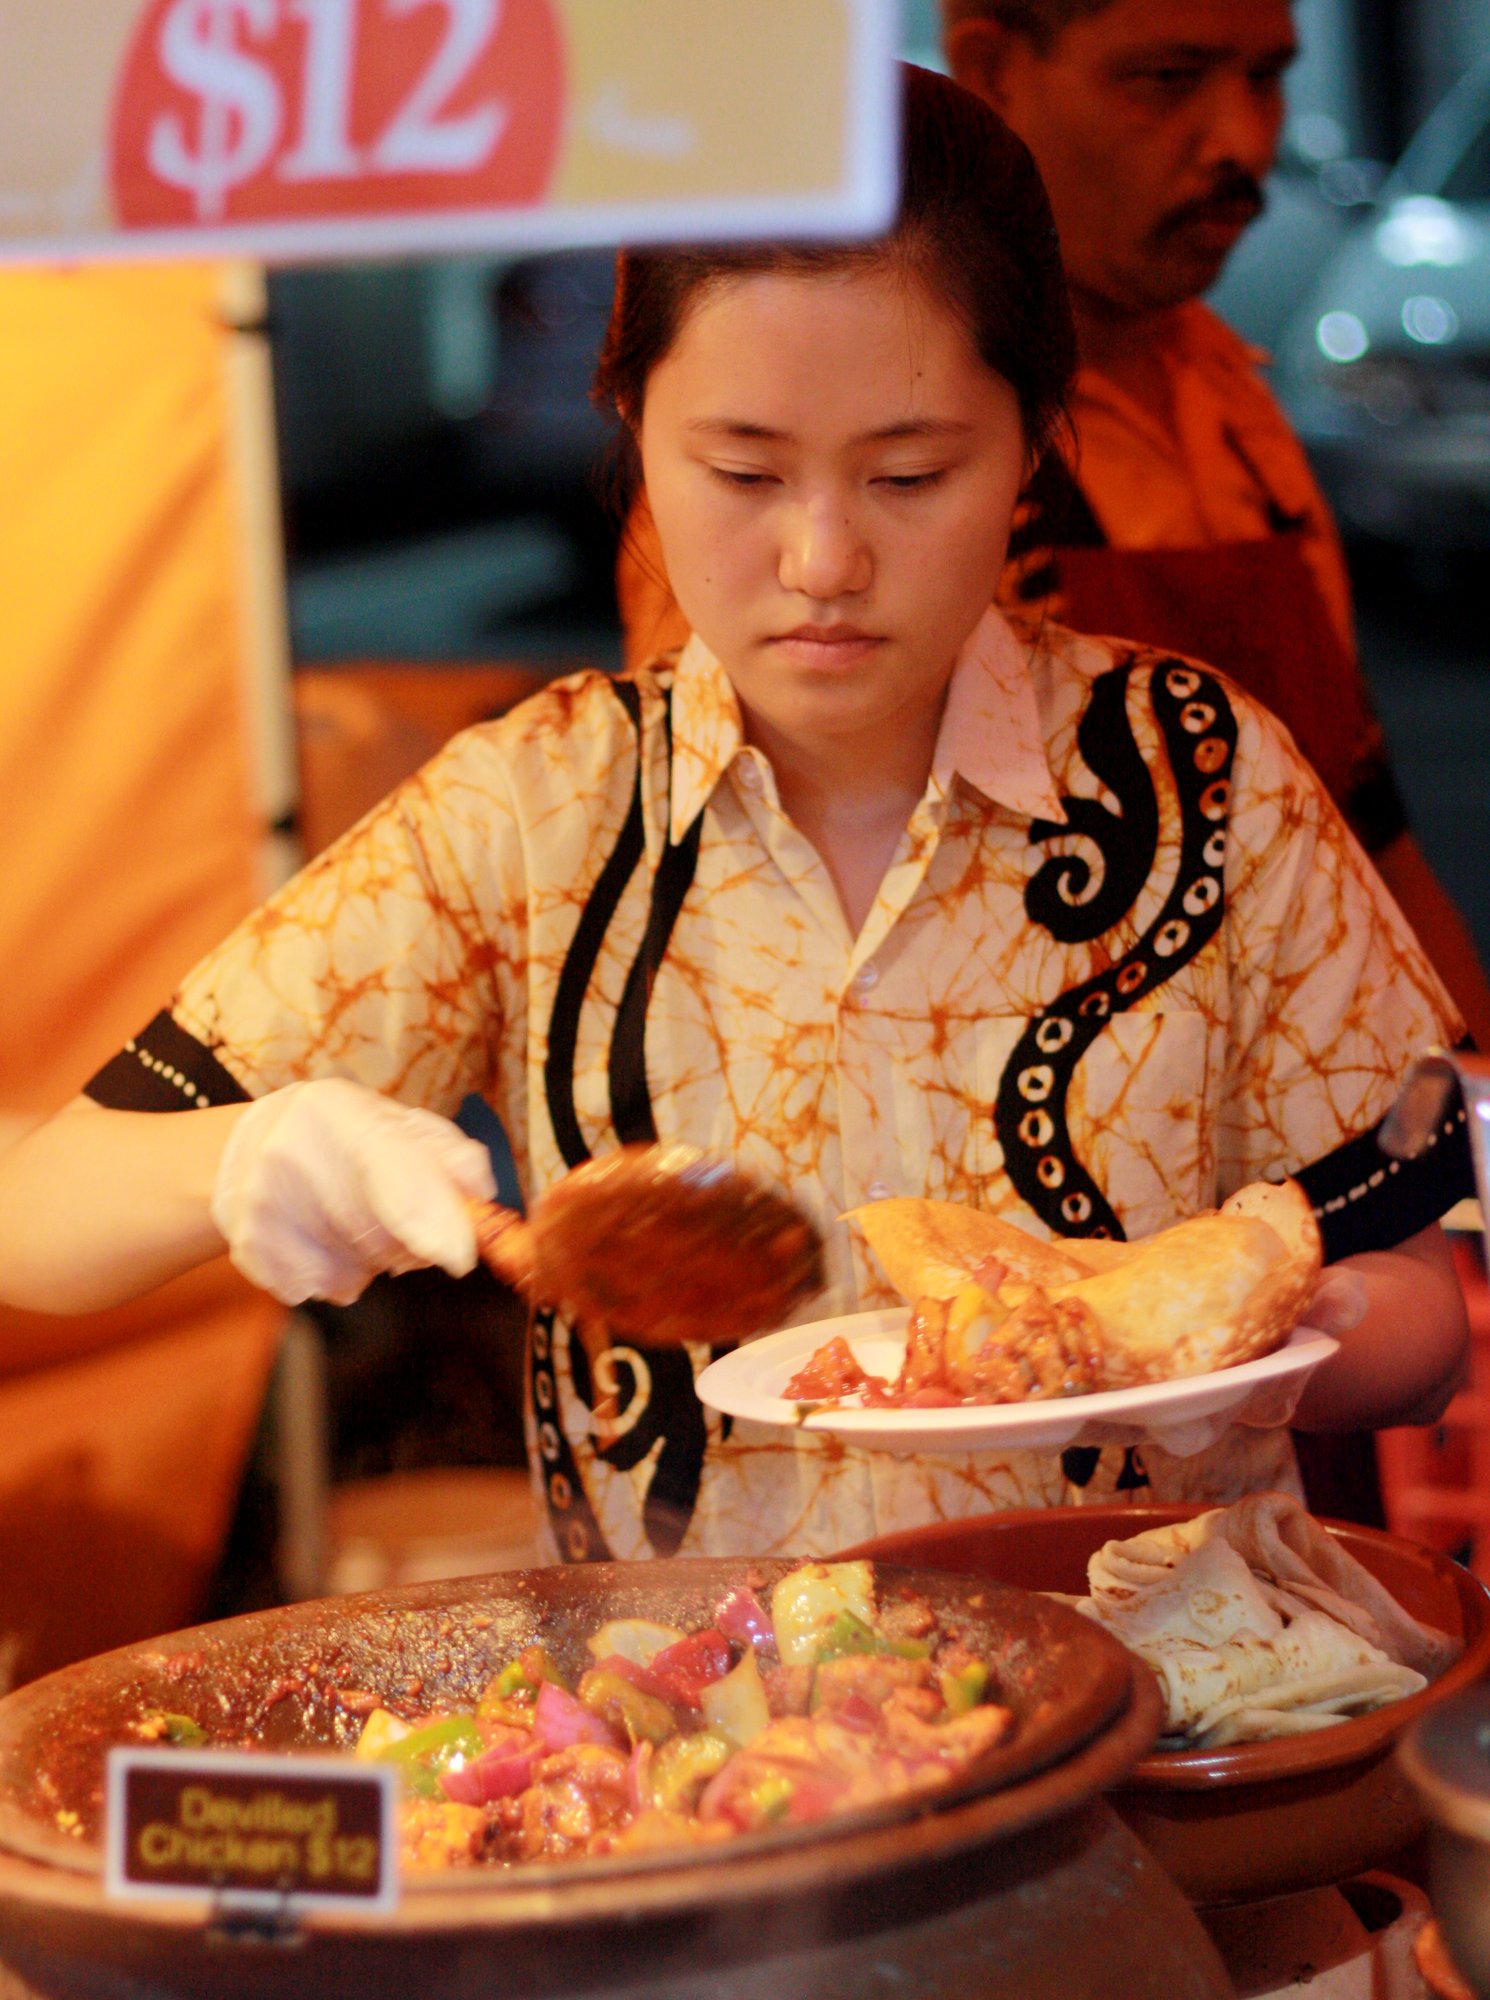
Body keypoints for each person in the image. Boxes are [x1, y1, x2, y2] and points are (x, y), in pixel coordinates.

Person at [0, 68, 1471, 1567]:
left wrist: (1254, 1339)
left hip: (1157, 1716)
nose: (823, 558)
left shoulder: (1205, 777)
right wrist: (252, 1159)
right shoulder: (531, 818)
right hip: (706, 1750)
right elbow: (40, 1222)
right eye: (741, 470)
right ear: (634, 430)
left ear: (1031, 443)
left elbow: (1421, 1308)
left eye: (910, 473)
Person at [619, 0, 1490, 1061]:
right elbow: (758, 930)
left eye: (1264, 79)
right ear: (989, 67)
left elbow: (1369, 834)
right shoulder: (801, 494)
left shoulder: (1232, 401)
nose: (1241, 142)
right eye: (1164, 79)